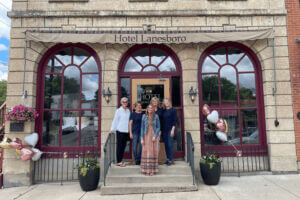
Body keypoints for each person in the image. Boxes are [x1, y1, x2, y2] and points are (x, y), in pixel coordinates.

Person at [109, 97, 130, 167]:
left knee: (123, 146)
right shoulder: (118, 111)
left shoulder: (128, 111)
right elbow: (115, 120)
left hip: (126, 131)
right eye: (123, 102)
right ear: (121, 103)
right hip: (120, 131)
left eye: (126, 102)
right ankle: (119, 161)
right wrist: (112, 129)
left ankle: (121, 160)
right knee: (119, 146)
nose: (125, 103)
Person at [140, 104, 160, 176]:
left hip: (153, 136)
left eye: (151, 108)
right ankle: (146, 170)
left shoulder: (156, 116)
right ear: (147, 109)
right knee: (146, 151)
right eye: (149, 108)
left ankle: (152, 170)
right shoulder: (144, 116)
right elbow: (142, 128)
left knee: (153, 152)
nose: (150, 109)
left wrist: (155, 136)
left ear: (153, 109)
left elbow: (158, 127)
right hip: (146, 135)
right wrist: (141, 138)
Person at [162, 98, 177, 166]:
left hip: (170, 129)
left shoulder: (173, 110)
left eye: (167, 101)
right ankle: (168, 159)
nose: (166, 103)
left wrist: (172, 130)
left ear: (169, 102)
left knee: (170, 144)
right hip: (164, 130)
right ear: (164, 103)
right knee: (166, 145)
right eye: (165, 102)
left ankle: (171, 159)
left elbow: (175, 121)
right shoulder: (164, 111)